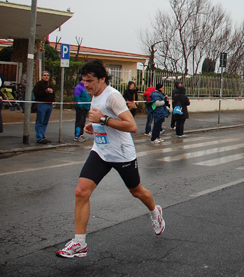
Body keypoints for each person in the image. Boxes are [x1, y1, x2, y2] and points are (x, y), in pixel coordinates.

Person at [55, 59, 164, 259]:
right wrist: (93, 127)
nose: (85, 84)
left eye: (89, 80)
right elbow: (101, 121)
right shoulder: (94, 95)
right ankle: (80, 243)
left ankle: (155, 211)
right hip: (101, 151)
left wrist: (103, 120)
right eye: (83, 80)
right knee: (81, 191)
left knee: (137, 191)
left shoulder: (112, 96)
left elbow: (131, 126)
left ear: (102, 79)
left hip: (121, 153)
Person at [33, 70, 56, 144]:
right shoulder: (39, 84)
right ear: (42, 76)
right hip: (42, 104)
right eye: (45, 75)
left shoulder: (50, 84)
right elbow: (37, 94)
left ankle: (43, 135)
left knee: (45, 121)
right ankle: (39, 137)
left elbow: (53, 94)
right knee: (40, 121)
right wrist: (45, 91)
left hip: (49, 104)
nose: (46, 77)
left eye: (47, 75)